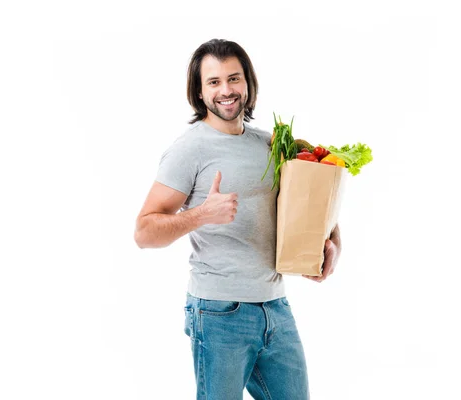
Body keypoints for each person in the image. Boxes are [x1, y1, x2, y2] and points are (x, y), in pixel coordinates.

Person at [133, 38, 341, 400]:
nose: (226, 90)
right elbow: (144, 231)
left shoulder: (271, 144)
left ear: (248, 83)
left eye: (234, 78)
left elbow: (314, 200)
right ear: (199, 93)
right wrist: (201, 214)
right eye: (214, 82)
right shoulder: (189, 149)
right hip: (218, 313)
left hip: (275, 307)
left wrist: (332, 244)